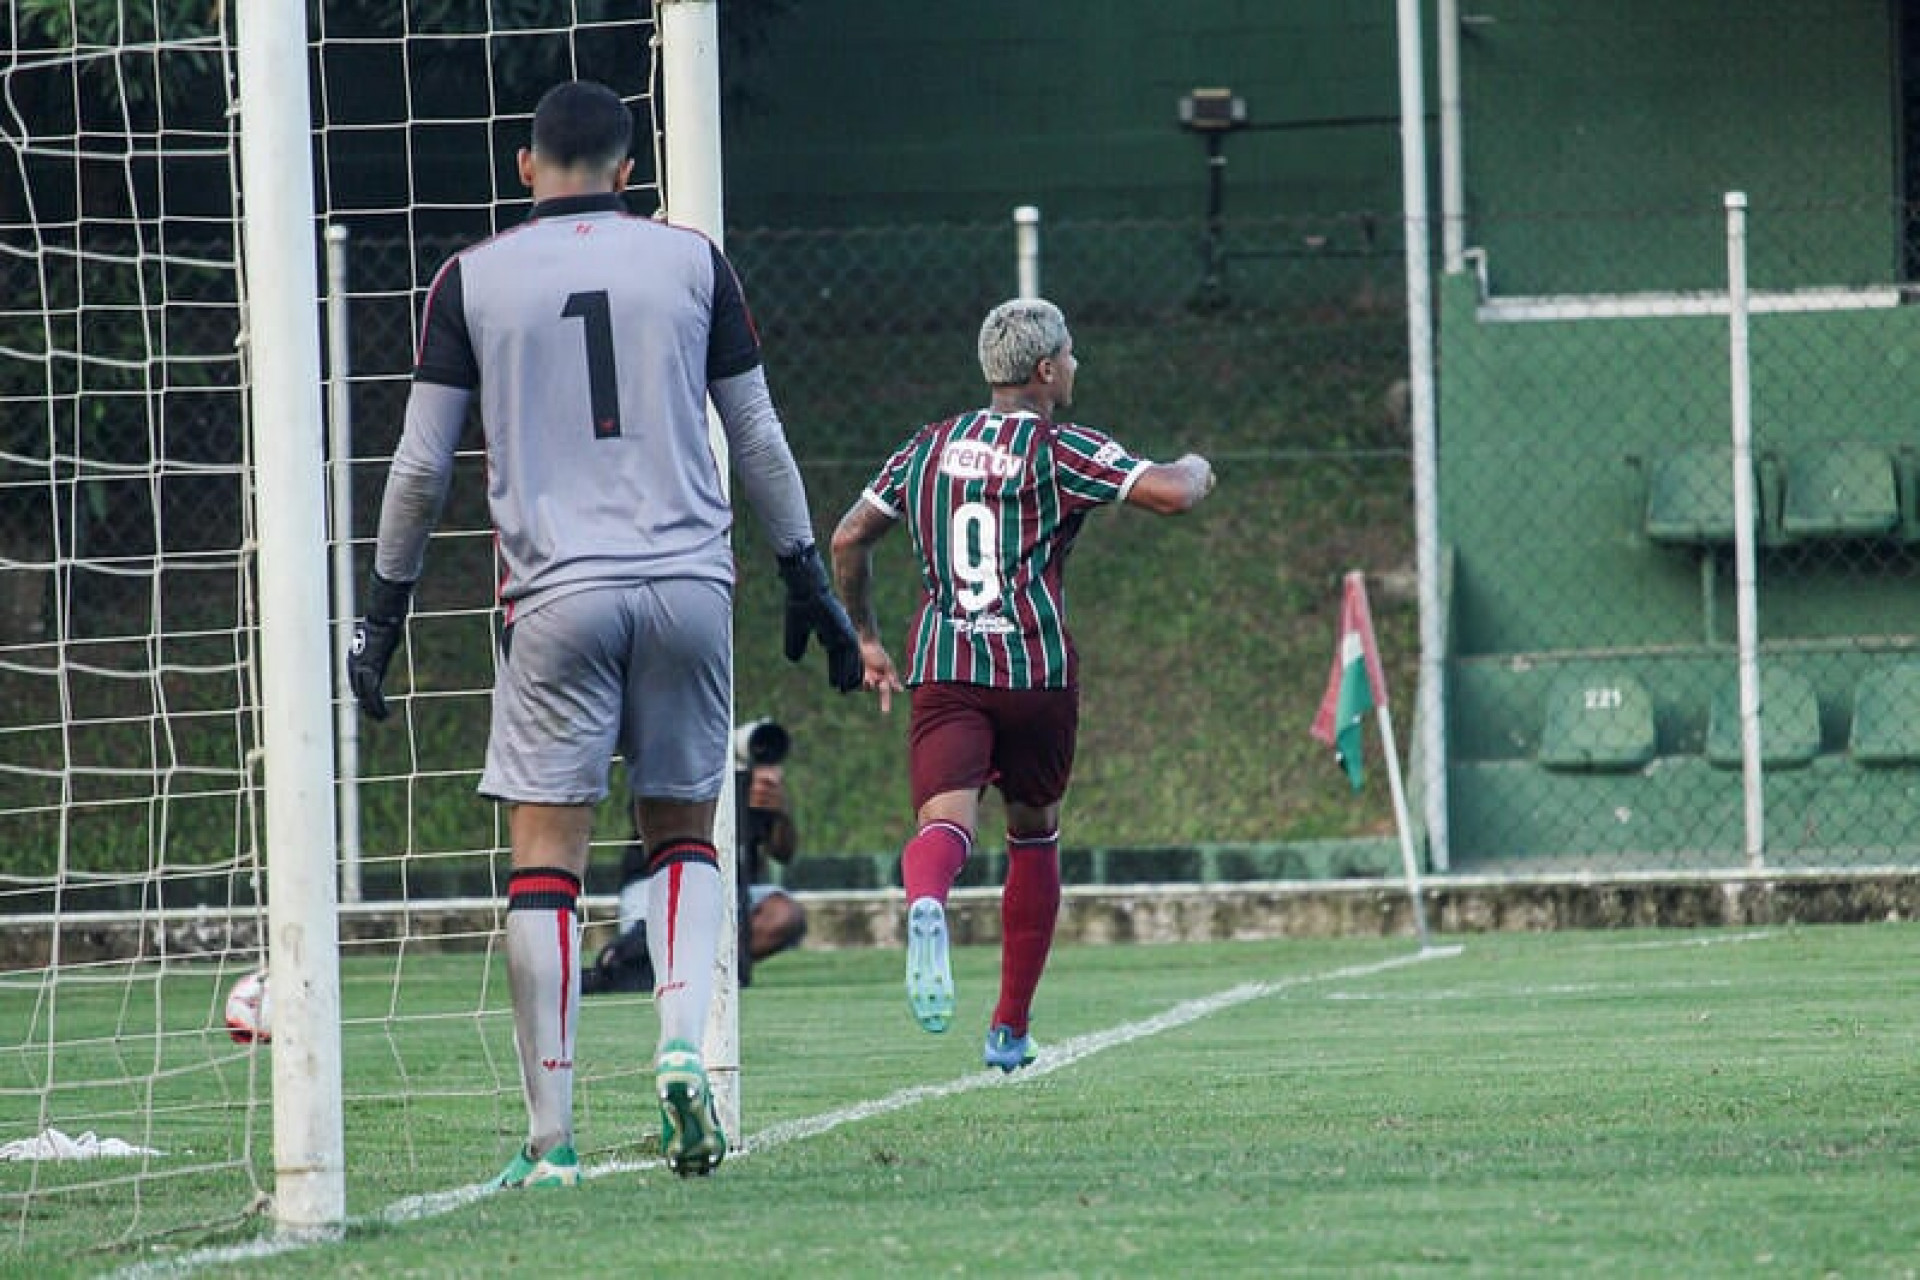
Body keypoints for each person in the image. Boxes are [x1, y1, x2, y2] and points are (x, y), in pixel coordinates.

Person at [345, 81, 860, 1187]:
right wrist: (805, 573)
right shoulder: (692, 261)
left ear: (527, 168)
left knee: (548, 862)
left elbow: (423, 464)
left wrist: (382, 611)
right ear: (629, 171)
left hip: (555, 594)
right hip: (688, 582)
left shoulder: (471, 278)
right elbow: (757, 433)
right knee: (685, 833)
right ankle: (682, 1046)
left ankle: (552, 1140)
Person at [829, 297, 1215, 1073]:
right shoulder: (1058, 447)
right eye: (1070, 355)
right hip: (1035, 671)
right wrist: (1200, 466)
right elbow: (1171, 493)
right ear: (1045, 371)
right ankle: (1008, 1029)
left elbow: (848, 536)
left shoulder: (928, 446)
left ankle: (929, 901)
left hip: (947, 666)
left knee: (946, 826)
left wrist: (866, 638)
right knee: (1033, 833)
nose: (1076, 365)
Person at [584, 727, 808, 996]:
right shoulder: (680, 764)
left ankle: (688, 969)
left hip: (730, 892)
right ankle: (627, 959)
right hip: (655, 880)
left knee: (784, 914)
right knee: (665, 931)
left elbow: (784, 853)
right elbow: (646, 818)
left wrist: (779, 811)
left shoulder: (749, 786)